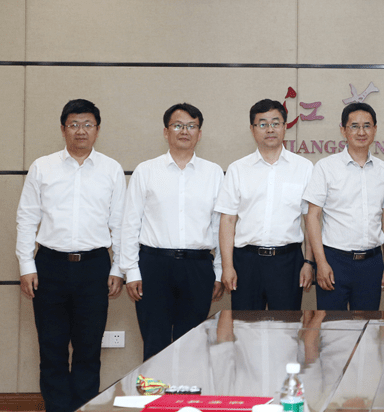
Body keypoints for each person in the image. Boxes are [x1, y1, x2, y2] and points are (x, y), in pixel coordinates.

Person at [15, 99, 126, 412]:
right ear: (63, 129)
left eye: (88, 125)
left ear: (97, 130)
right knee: (51, 348)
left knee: (88, 349)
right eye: (74, 124)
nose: (81, 131)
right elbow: (26, 218)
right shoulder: (43, 166)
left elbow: (120, 223)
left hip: (94, 267)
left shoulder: (111, 169)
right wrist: (26, 265)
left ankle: (84, 407)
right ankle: (57, 407)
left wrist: (118, 268)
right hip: (49, 266)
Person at [120, 103, 225, 361]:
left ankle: (185, 401)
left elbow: (220, 225)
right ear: (166, 132)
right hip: (154, 265)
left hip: (198, 267)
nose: (184, 131)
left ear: (199, 134)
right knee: (154, 342)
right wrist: (131, 270)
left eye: (191, 126)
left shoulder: (213, 173)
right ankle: (155, 400)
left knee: (192, 343)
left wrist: (219, 271)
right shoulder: (146, 170)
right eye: (178, 125)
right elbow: (130, 222)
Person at [215, 98, 314, 310]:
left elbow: (311, 220)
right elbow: (228, 220)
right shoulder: (238, 169)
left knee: (286, 332)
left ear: (285, 127)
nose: (270, 129)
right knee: (244, 330)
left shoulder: (304, 168)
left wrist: (309, 263)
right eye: (262, 124)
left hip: (288, 262)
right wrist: (227, 266)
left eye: (275, 123)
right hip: (246, 262)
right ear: (252, 129)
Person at [302, 102, 384, 310]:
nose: (361, 132)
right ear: (343, 130)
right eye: (354, 126)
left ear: (374, 130)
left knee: (368, 331)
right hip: (335, 260)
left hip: (372, 262)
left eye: (367, 126)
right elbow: (312, 217)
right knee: (330, 330)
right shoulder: (326, 167)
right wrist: (320, 262)